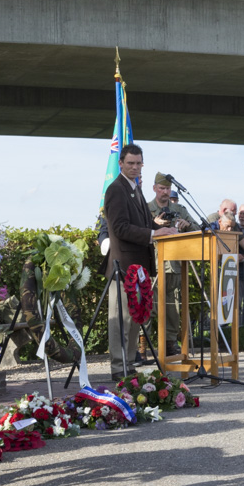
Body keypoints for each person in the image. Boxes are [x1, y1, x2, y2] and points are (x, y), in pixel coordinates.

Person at [102, 145, 178, 380]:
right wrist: (155, 235)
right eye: (131, 163)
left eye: (139, 164)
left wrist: (166, 229)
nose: (135, 167)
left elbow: (146, 222)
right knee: (121, 318)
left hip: (139, 266)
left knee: (136, 316)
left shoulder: (135, 189)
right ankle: (118, 367)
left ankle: (128, 364)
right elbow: (120, 228)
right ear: (121, 163)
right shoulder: (116, 190)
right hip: (122, 266)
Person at [146, 173, 199, 357]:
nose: (165, 192)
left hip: (175, 264)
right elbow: (138, 230)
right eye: (161, 188)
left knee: (172, 307)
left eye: (168, 189)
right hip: (153, 263)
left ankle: (170, 343)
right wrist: (153, 224)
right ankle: (142, 348)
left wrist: (187, 225)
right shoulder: (146, 209)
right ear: (154, 188)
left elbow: (198, 229)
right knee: (148, 305)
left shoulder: (179, 209)